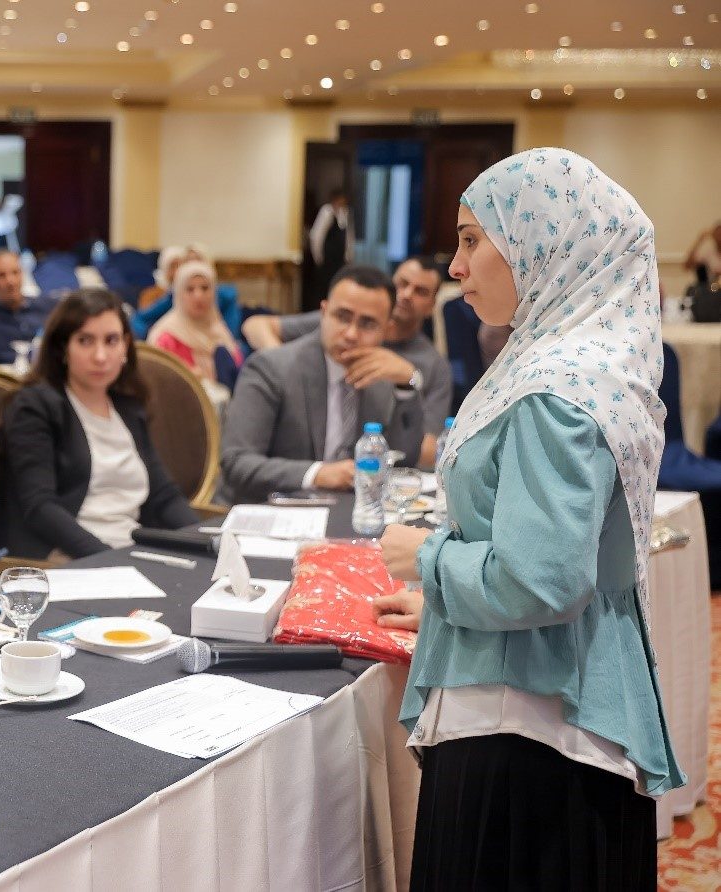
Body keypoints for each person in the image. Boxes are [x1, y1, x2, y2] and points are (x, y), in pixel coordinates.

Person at [375, 148, 682, 889]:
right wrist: (443, 606)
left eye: (474, 240)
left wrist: (429, 557)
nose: (456, 267)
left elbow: (540, 583)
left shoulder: (558, 389)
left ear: (546, 240)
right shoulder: (575, 363)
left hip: (527, 740)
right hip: (540, 713)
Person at [1, 290, 198, 559]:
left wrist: (203, 540)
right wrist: (109, 559)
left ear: (126, 346)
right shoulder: (35, 407)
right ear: (63, 348)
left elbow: (164, 495)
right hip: (68, 555)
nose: (101, 356)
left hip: (133, 547)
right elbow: (40, 507)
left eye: (111, 340)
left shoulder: (128, 407)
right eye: (85, 341)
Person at [219, 264, 423, 502]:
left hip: (347, 513)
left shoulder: (384, 375)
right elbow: (237, 463)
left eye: (367, 324)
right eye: (342, 317)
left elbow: (404, 461)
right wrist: (318, 473)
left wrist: (406, 387)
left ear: (387, 329)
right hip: (269, 510)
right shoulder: (270, 368)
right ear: (324, 312)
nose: (351, 334)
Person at [242, 257, 454, 466]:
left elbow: (417, 454)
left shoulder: (430, 367)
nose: (351, 334)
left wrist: (408, 383)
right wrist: (287, 370)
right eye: (403, 284)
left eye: (421, 291)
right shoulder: (334, 324)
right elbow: (256, 326)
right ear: (326, 313)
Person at [146, 260, 243, 384]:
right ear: (179, 294)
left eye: (205, 288)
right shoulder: (165, 337)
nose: (198, 296)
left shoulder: (221, 333)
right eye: (190, 289)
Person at [308, 187, 354, 303]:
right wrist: (318, 257)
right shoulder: (327, 212)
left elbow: (349, 237)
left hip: (340, 260)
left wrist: (348, 255)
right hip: (327, 259)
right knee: (324, 290)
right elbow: (316, 236)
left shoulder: (345, 213)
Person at [136, 245, 185, 312]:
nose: (177, 270)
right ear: (164, 268)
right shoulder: (151, 294)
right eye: (173, 266)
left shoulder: (189, 292)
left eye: (180, 265)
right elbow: (144, 316)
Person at [683, 219, 721, 285]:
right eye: (717, 234)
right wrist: (699, 241)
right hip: (711, 289)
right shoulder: (708, 253)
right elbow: (687, 266)